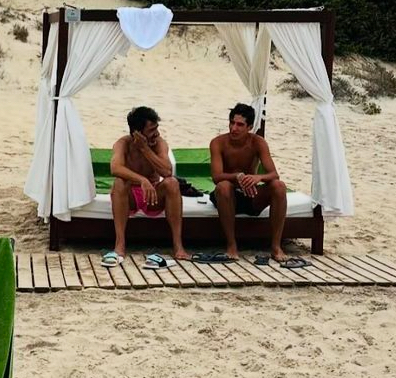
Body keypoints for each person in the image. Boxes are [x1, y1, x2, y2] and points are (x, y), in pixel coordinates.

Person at [208, 103, 289, 261]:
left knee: (279, 186)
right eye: (232, 123)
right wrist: (237, 176)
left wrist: (258, 177)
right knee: (223, 186)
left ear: (249, 127)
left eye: (240, 125)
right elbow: (216, 176)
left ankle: (276, 246)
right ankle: (231, 245)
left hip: (251, 195)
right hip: (227, 195)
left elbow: (274, 174)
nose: (234, 128)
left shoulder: (258, 143)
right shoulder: (218, 143)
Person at [108, 105, 189, 261]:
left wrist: (145, 149)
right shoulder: (123, 144)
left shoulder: (159, 143)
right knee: (119, 182)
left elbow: (167, 172)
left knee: (172, 183)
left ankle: (178, 246)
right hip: (130, 197)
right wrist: (142, 179)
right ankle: (120, 244)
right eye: (152, 130)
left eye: (156, 128)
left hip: (153, 196)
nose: (156, 133)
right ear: (137, 132)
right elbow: (115, 168)